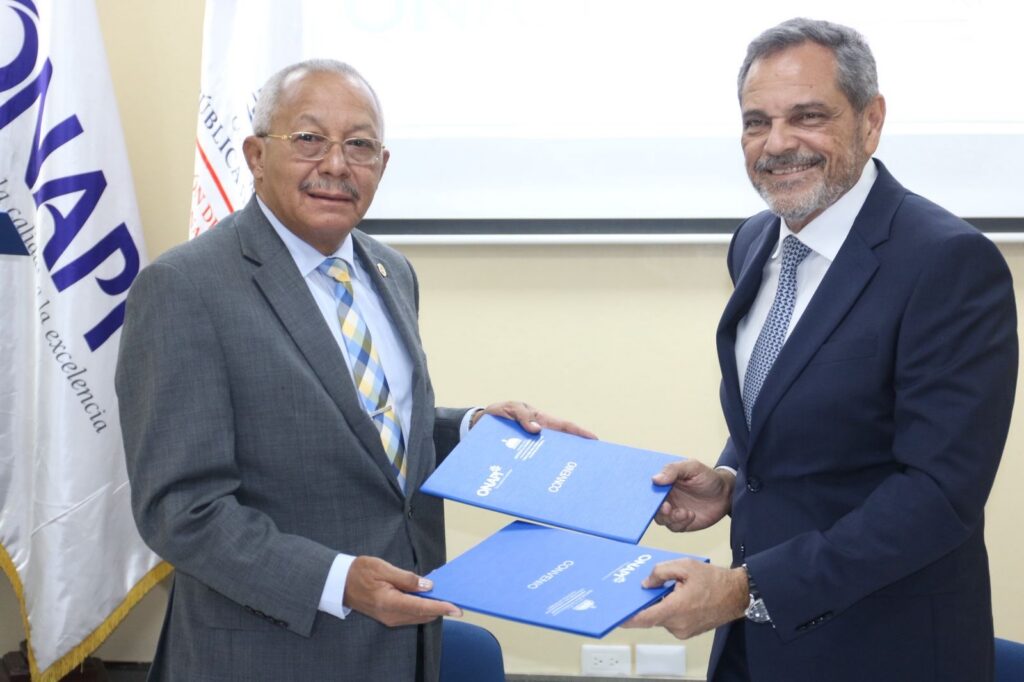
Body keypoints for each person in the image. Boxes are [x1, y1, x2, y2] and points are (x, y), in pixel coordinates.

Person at [115, 59, 592, 681]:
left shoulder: (391, 272)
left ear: (383, 165)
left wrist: (475, 431)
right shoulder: (184, 288)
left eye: (360, 145)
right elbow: (181, 511)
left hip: (404, 646)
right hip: (266, 654)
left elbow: (374, 437)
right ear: (256, 155)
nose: (337, 165)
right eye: (309, 139)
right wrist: (339, 580)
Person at [625, 18, 1017, 682]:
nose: (777, 144)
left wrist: (746, 587)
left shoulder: (948, 263)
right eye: (756, 122)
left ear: (870, 121)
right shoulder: (754, 240)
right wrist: (728, 479)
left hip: (886, 650)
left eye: (807, 116)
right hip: (755, 652)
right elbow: (784, 401)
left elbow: (939, 494)